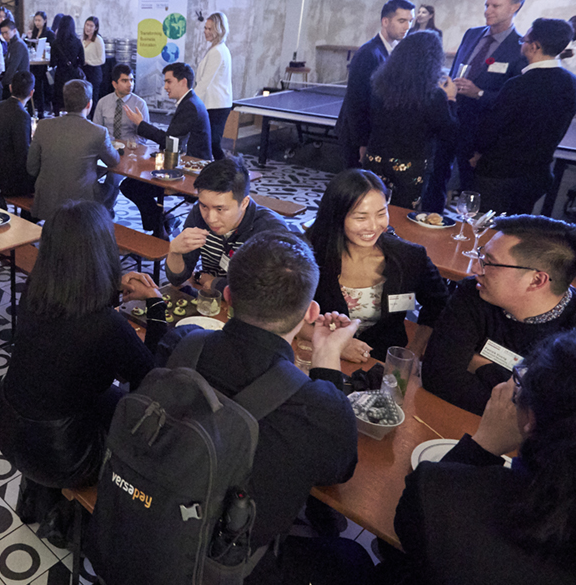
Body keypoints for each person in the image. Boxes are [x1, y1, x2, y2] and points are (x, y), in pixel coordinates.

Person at [385, 329, 576, 585]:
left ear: (531, 421)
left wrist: (483, 444)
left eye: (521, 383)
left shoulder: (441, 496)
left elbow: (408, 526)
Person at [192, 232, 370, 585]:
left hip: (157, 529)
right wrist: (326, 355)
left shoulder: (181, 345)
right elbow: (339, 470)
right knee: (352, 559)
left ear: (228, 297)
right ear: (310, 313)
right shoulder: (314, 405)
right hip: (235, 581)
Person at [0, 200, 164, 495]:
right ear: (104, 253)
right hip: (64, 457)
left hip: (6, 425)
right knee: (143, 413)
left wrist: (110, 289)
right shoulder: (107, 325)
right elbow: (151, 377)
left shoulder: (35, 291)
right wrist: (156, 302)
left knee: (102, 394)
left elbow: (73, 319)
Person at [422, 215, 576, 415]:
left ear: (537, 280)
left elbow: (566, 419)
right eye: (481, 255)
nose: (476, 268)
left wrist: (480, 365)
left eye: (490, 262)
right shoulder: (475, 292)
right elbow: (439, 378)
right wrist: (526, 388)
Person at [304, 169, 448, 360]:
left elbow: (439, 304)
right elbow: (285, 313)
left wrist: (413, 349)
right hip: (318, 354)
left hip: (381, 364)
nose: (373, 226)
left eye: (381, 214)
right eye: (360, 217)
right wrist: (336, 344)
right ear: (337, 216)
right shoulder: (309, 254)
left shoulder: (409, 256)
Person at [423, 0, 528, 214]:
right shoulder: (472, 34)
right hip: (450, 118)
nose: (488, 10)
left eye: (495, 6)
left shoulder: (519, 48)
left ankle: (467, 238)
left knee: (472, 189)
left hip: (480, 130)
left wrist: (478, 93)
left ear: (514, 7)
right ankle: (432, 222)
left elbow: (511, 100)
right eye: (487, 4)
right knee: (435, 177)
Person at [470, 18, 576, 215]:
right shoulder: (573, 83)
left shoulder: (519, 84)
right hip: (537, 172)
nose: (522, 44)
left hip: (500, 173)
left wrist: (477, 153)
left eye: (524, 40)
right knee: (517, 230)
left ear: (535, 46)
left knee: (486, 231)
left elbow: (493, 127)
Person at [364, 30, 458, 209]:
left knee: (373, 208)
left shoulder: (379, 85)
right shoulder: (433, 94)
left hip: (376, 157)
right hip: (410, 164)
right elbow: (449, 132)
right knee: (403, 214)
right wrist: (451, 100)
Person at [165, 157, 287, 292]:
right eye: (204, 206)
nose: (210, 219)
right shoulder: (198, 214)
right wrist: (175, 252)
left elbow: (269, 293)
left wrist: (215, 284)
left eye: (220, 209)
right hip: (211, 298)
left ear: (244, 203)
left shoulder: (270, 231)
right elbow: (177, 279)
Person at [121, 63, 213, 239]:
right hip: (186, 166)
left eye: (168, 82)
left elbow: (169, 140)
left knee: (130, 186)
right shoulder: (190, 102)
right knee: (133, 185)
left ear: (183, 81)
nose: (165, 87)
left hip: (192, 174)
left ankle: (160, 228)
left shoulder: (190, 106)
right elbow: (173, 140)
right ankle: (162, 222)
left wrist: (141, 124)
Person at [336, 0, 415, 169]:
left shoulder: (392, 51)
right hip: (359, 138)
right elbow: (357, 101)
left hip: (375, 136)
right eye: (401, 21)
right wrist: (363, 143)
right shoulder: (369, 53)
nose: (407, 27)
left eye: (410, 21)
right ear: (385, 22)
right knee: (357, 189)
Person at [27, 79, 120, 220]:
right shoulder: (98, 132)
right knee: (114, 179)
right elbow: (113, 162)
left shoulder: (44, 126)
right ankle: (103, 218)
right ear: (89, 104)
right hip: (82, 203)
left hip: (47, 200)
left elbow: (31, 168)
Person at [0, 70, 36, 199]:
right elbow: (23, 153)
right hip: (8, 179)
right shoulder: (22, 115)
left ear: (10, 87)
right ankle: (30, 216)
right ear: (31, 93)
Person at [195, 11, 234, 160]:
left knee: (213, 143)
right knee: (209, 143)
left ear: (220, 29)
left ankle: (227, 173)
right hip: (215, 104)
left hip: (217, 105)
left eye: (210, 29)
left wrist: (188, 101)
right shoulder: (218, 49)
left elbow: (205, 82)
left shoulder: (217, 51)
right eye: (205, 28)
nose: (206, 32)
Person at [49, 15, 85, 117]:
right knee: (72, 100)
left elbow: (53, 62)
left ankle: (57, 119)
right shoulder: (77, 42)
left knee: (58, 99)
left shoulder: (56, 43)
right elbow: (82, 61)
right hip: (73, 76)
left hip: (60, 75)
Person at [28, 11, 55, 119]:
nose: (37, 23)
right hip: (34, 63)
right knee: (34, 86)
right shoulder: (33, 32)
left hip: (44, 65)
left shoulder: (49, 33)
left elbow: (52, 48)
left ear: (45, 20)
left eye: (39, 20)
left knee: (41, 87)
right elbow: (30, 47)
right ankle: (32, 111)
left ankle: (41, 111)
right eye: (36, 20)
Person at [0, 18, 29, 101]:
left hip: (19, 82)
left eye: (6, 33)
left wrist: (2, 83)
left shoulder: (18, 45)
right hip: (15, 80)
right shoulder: (12, 43)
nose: (4, 36)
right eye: (2, 33)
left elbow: (12, 67)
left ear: (14, 31)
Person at [81, 15, 106, 103]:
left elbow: (102, 59)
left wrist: (88, 61)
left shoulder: (98, 40)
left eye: (91, 26)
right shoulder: (83, 39)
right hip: (84, 70)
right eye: (87, 25)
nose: (88, 28)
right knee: (84, 97)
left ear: (96, 28)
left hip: (94, 71)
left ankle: (94, 116)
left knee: (93, 98)